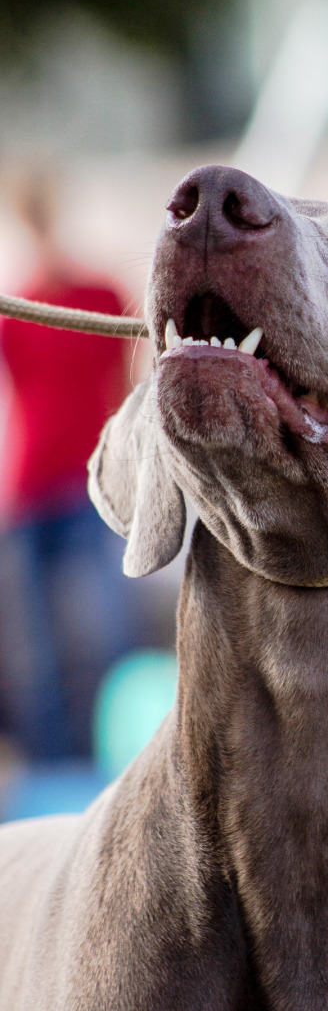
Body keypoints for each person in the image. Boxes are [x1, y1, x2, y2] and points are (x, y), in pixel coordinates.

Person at [0, 171, 137, 761]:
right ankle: (56, 765)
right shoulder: (16, 307)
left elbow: (130, 390)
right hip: (30, 489)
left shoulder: (101, 297)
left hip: (89, 484)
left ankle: (112, 750)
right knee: (38, 651)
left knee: (108, 633)